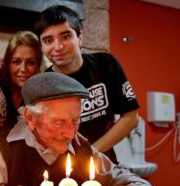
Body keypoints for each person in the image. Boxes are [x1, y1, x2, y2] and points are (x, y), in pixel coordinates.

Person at [0, 72, 180, 186]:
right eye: (59, 122)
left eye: (75, 121)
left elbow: (118, 177)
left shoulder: (81, 147)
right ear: (30, 118)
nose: (71, 133)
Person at [34, 5, 140, 163]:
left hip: (102, 164)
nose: (58, 46)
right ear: (42, 47)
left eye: (65, 36)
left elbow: (131, 117)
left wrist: (91, 152)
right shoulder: (40, 85)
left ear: (80, 38)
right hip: (59, 169)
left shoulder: (106, 64)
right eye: (49, 40)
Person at [0, 31, 43, 128]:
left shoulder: (43, 92)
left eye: (31, 63)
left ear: (38, 66)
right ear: (7, 63)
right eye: (16, 62)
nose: (23, 69)